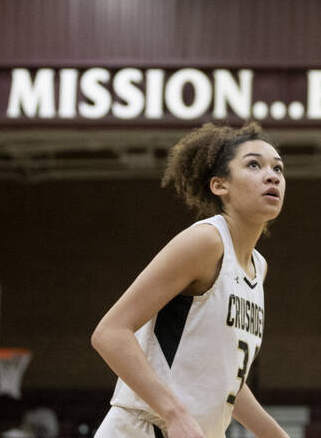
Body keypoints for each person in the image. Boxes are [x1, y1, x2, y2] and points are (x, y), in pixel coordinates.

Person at [91, 123, 288, 438]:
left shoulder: (257, 267)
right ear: (219, 185)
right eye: (254, 164)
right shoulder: (206, 242)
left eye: (278, 168)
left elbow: (225, 383)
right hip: (142, 429)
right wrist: (175, 412)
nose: (272, 175)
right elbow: (109, 333)